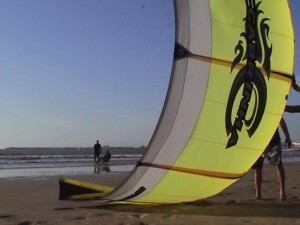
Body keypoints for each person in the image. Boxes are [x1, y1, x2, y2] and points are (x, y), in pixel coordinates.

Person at [252, 118, 292, 201]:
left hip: (274, 140)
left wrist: (287, 136)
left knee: (278, 163)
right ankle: (258, 195)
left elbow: (281, 120)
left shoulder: (271, 107)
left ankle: (283, 192)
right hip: (259, 141)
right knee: (257, 167)